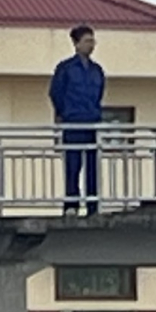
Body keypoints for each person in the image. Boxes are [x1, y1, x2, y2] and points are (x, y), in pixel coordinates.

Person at [48, 24, 105, 215]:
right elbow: (56, 92)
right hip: (73, 122)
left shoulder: (97, 70)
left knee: (92, 166)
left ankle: (92, 205)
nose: (91, 45)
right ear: (76, 43)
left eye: (92, 41)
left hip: (92, 121)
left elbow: (100, 94)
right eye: (87, 41)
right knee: (73, 166)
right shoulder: (65, 68)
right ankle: (71, 204)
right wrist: (65, 112)